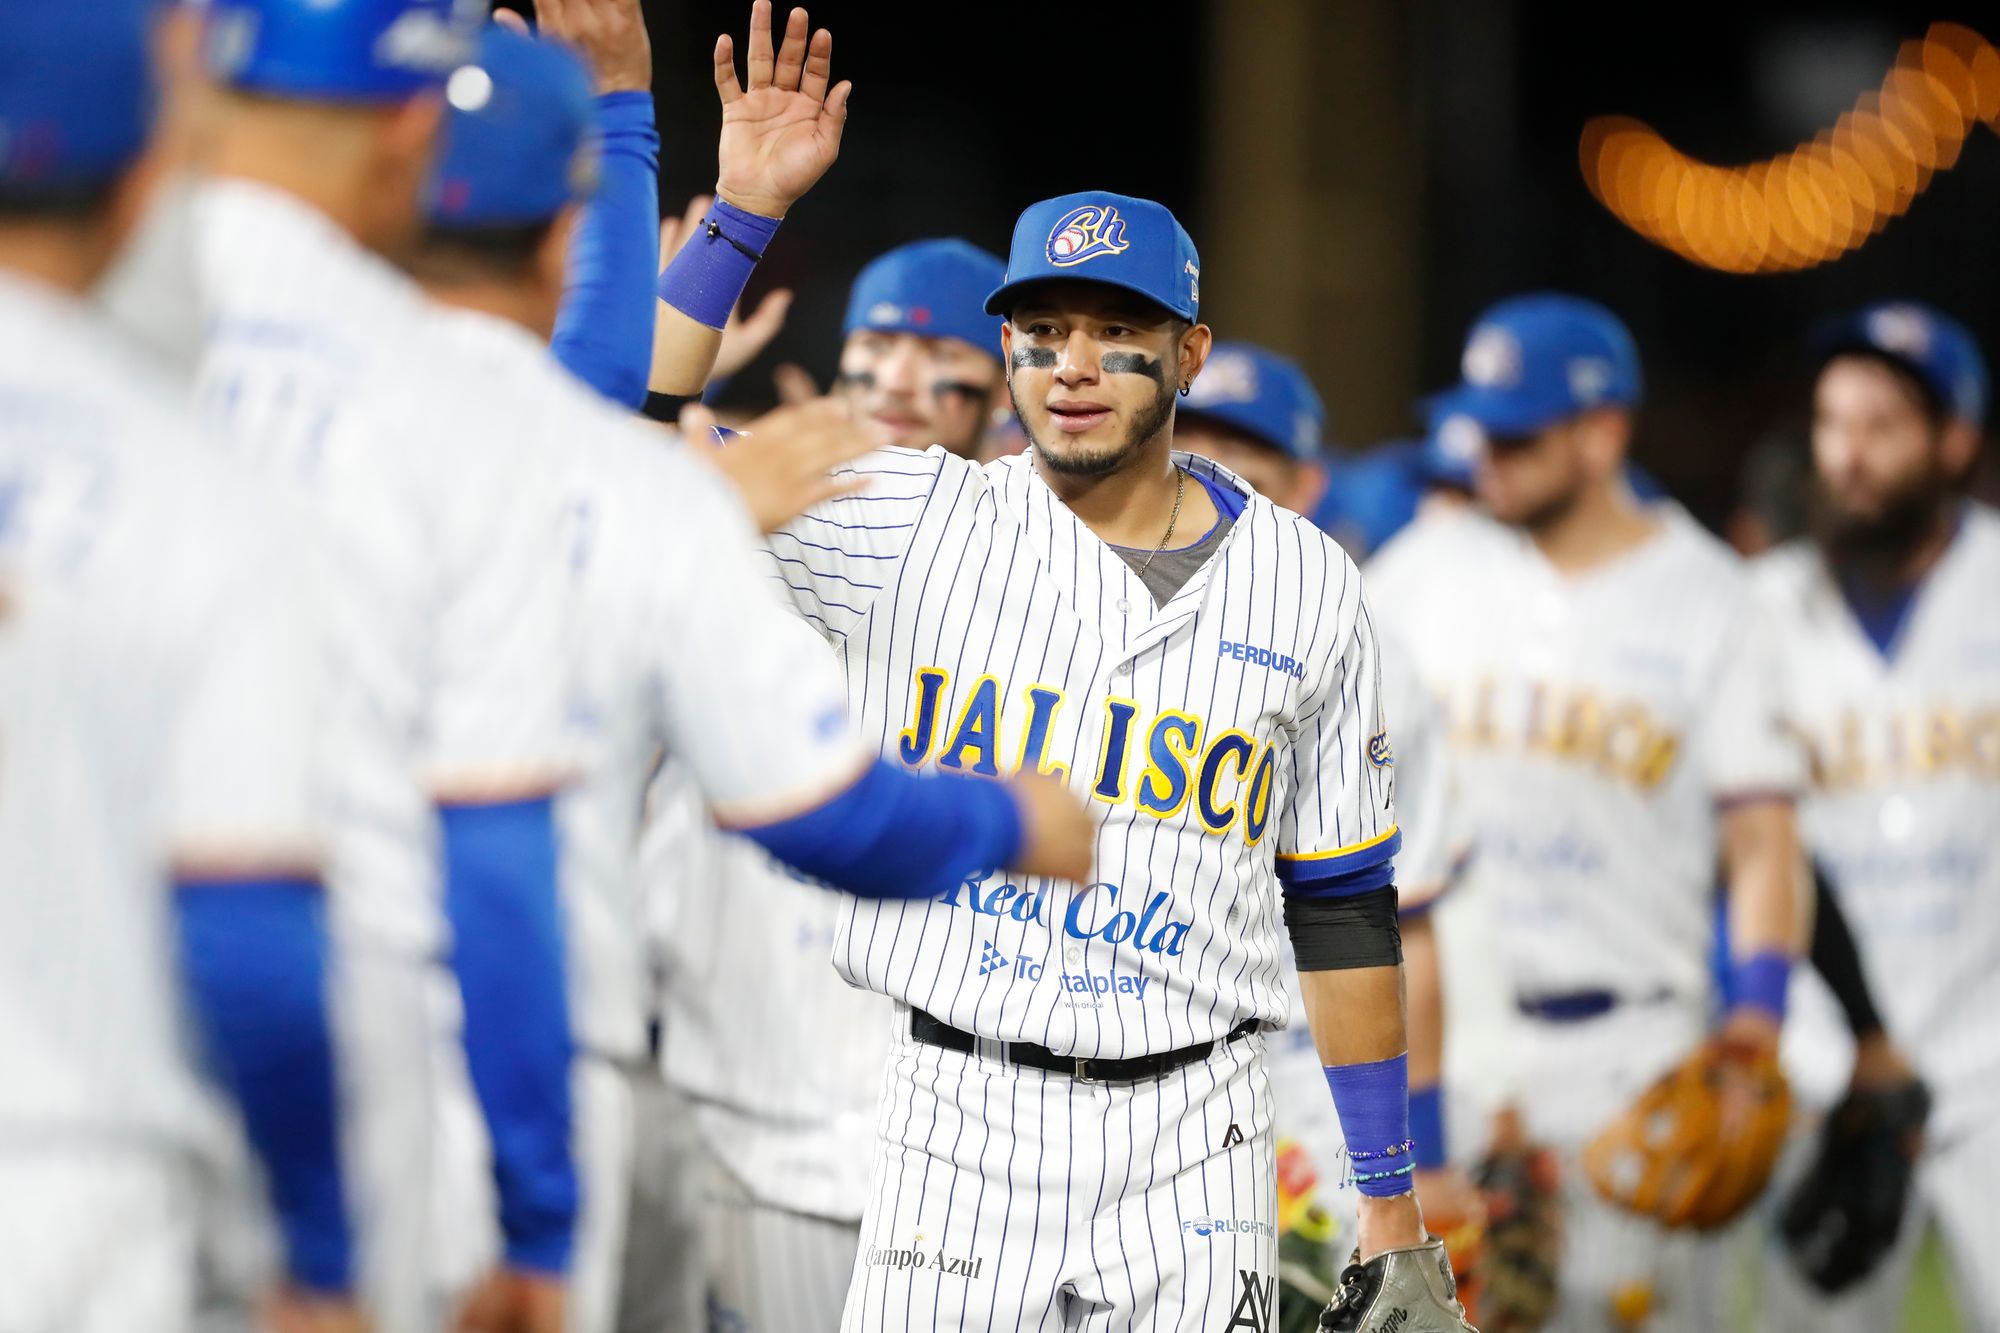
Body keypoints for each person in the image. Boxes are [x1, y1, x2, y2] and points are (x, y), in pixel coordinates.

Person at [660, 187, 1474, 1331]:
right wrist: (737, 216)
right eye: (1042, 333)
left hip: (1200, 1129)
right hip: (956, 1110)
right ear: (1006, 351)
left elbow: (1339, 900)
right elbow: (625, 443)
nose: (1072, 365)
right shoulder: (904, 514)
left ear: (1189, 351)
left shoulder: (1308, 583)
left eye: (1116, 332)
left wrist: (1390, 1195)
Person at [410, 19, 1098, 1332]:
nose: (894, 383)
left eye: (939, 367)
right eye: (872, 360)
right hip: (721, 1098)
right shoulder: (745, 487)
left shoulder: (1056, 559)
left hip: (966, 1126)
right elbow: (632, 414)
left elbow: (610, 415)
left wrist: (658, 152)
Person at [175, 1, 586, 1326]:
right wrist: (535, 1213)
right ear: (415, 129)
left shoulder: (69, 330)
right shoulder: (457, 407)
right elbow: (500, 849)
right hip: (346, 1039)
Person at [0, 3, 355, 1328]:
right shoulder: (201, 490)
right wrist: (319, 1240)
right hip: (76, 1187)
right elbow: (251, 938)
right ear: (150, 179)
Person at [1366, 293, 1805, 1333]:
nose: (1486, 453)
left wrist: (1755, 1020)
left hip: (1632, 1062)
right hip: (1449, 1052)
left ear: (1603, 433)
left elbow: (1762, 841)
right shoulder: (1416, 577)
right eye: (1477, 427)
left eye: (1515, 434)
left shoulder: (1709, 598)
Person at [1753, 301, 1999, 1331]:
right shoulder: (1755, 607)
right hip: (1822, 1069)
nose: (1847, 455)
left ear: (1953, 441)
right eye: (1830, 423)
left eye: (1881, 426)